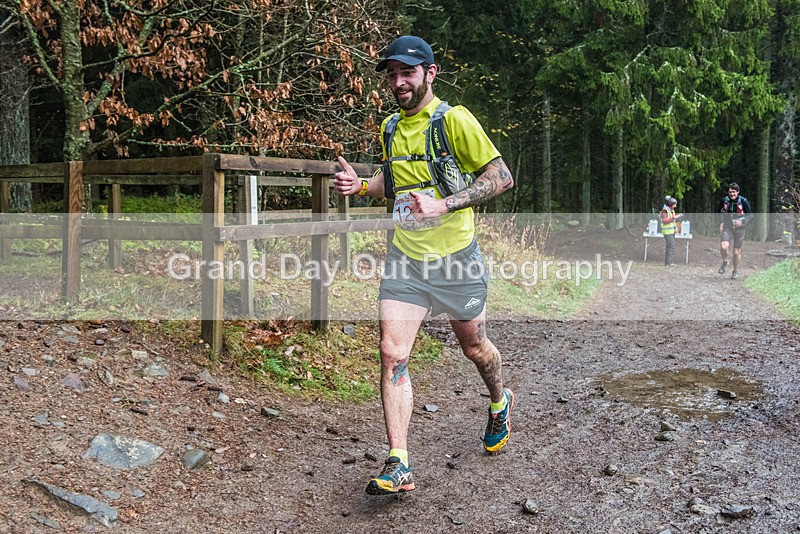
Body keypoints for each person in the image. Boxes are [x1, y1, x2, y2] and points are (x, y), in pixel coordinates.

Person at [332, 35, 516, 495]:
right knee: (392, 352)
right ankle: (399, 462)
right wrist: (361, 187)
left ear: (430, 74)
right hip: (406, 261)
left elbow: (501, 177)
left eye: (407, 73)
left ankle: (499, 400)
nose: (399, 82)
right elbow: (392, 183)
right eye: (392, 74)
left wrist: (444, 204)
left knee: (475, 348)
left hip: (456, 261)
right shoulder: (391, 127)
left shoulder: (454, 120)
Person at [718, 182, 752, 280]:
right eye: (730, 192)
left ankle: (735, 271)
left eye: (734, 192)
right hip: (728, 227)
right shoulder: (725, 200)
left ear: (738, 192)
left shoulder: (743, 201)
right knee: (723, 246)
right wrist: (721, 222)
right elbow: (718, 212)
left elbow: (750, 215)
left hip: (740, 229)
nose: (732, 194)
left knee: (736, 252)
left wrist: (742, 222)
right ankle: (725, 261)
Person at [660, 196, 683, 267]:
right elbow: (665, 220)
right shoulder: (665, 211)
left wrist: (677, 217)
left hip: (671, 231)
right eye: (674, 204)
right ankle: (669, 263)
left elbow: (672, 220)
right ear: (670, 204)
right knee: (671, 246)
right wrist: (674, 217)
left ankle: (667, 263)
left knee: (669, 246)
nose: (675, 206)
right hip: (667, 232)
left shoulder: (671, 210)